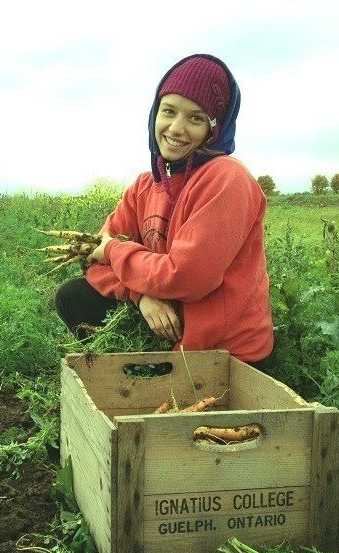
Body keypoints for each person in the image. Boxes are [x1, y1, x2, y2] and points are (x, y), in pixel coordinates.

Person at [54, 53, 274, 368]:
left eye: (196, 118)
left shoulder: (226, 178)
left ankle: (151, 380)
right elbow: (94, 257)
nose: (176, 128)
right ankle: (128, 380)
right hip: (170, 326)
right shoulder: (146, 184)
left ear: (216, 128)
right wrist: (141, 296)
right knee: (73, 295)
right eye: (168, 111)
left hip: (222, 349)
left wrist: (115, 251)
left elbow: (185, 278)